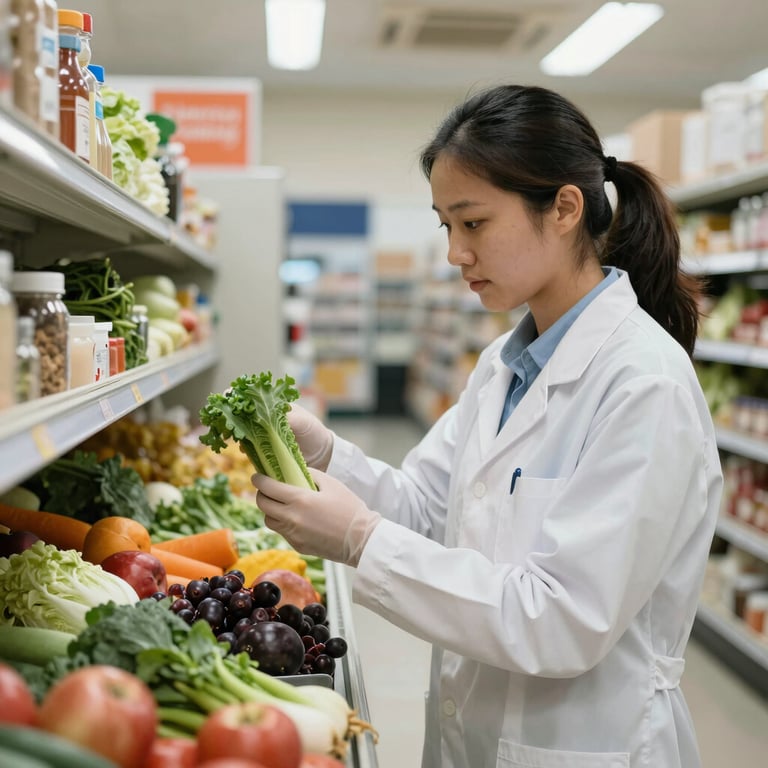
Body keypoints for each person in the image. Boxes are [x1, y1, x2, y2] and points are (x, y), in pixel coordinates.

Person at [252, 84, 723, 768]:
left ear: (564, 208)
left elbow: (563, 621)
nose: (454, 253)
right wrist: (326, 454)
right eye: (445, 225)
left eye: (472, 224)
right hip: (474, 736)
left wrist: (360, 540)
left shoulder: (643, 384)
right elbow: (426, 507)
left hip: (584, 744)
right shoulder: (506, 364)